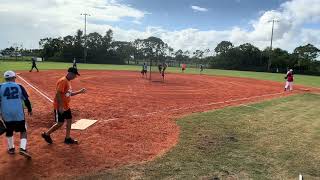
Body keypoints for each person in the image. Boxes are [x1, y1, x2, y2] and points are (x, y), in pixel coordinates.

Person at [41, 67, 86, 144]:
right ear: (70, 73)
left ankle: (67, 138)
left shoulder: (68, 81)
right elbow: (58, 94)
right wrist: (61, 106)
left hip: (66, 106)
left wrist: (80, 92)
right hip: (60, 106)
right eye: (75, 75)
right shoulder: (63, 81)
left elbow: (69, 94)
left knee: (69, 120)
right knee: (60, 123)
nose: (75, 77)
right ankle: (47, 134)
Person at [0, 70, 32, 159]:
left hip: (6, 113)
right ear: (14, 78)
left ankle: (11, 149)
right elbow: (26, 99)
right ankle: (22, 148)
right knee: (23, 130)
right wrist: (29, 109)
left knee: (9, 130)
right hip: (18, 113)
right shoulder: (19, 86)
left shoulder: (0, 87)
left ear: (5, 78)